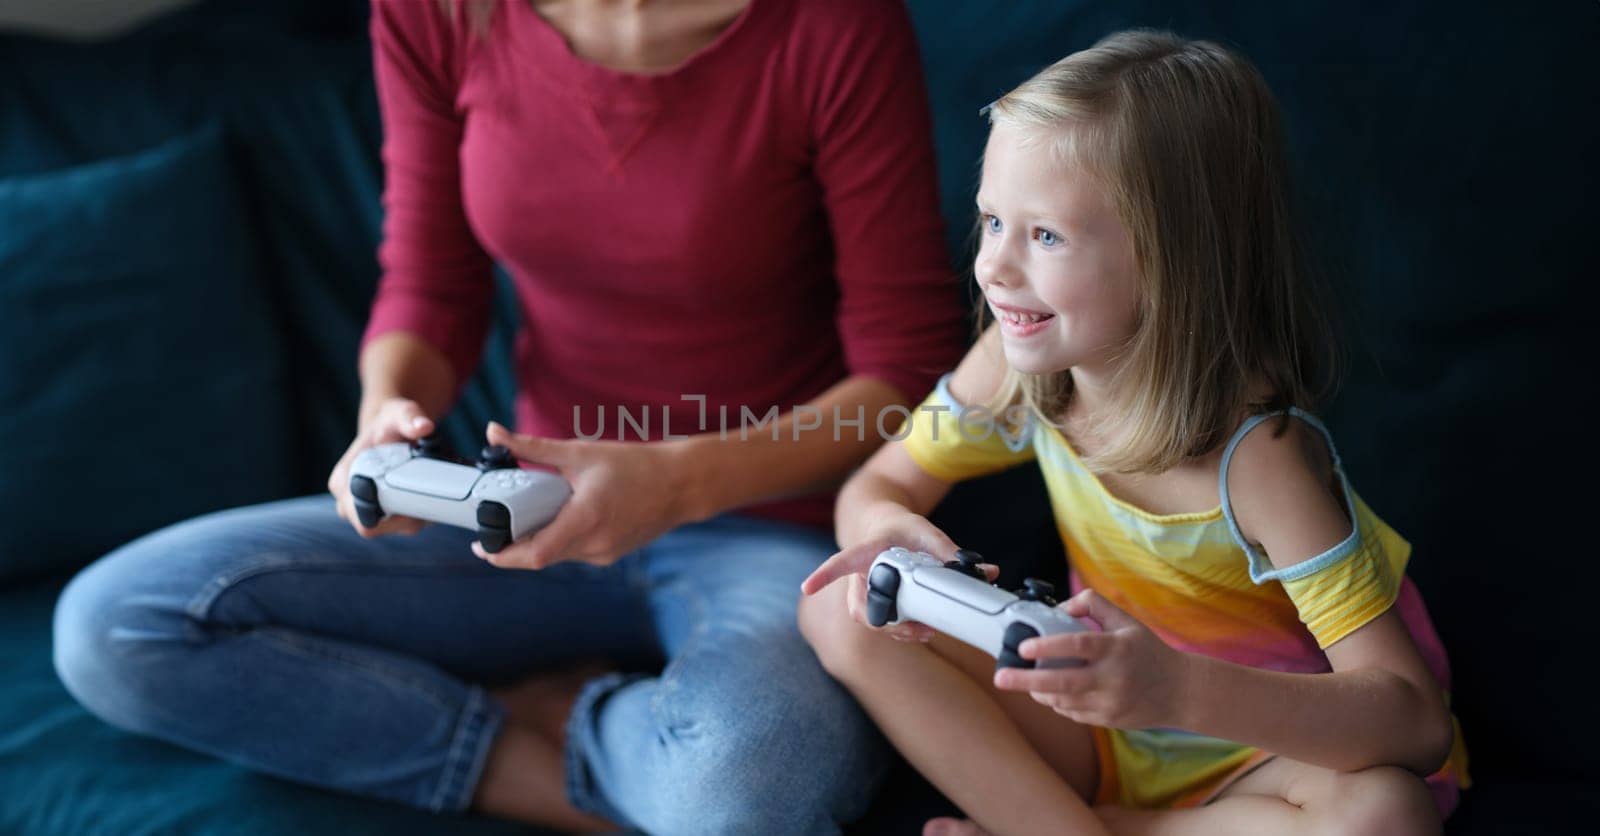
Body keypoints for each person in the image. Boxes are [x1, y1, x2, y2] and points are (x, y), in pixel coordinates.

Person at [52, 0, 966, 833]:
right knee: (114, 628)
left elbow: (906, 378)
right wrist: (387, 414)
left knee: (746, 790)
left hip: (763, 530)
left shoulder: (833, 27)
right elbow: (428, 282)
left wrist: (678, 479)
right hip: (528, 513)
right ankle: (525, 754)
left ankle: (590, 720)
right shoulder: (435, 14)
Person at [798, 29, 1470, 836]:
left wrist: (1175, 690)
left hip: (1261, 763)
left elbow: (1414, 722)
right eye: (991, 221)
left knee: (1386, 815)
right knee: (843, 604)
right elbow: (881, 486)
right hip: (1097, 731)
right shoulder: (1021, 365)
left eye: (1044, 235)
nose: (995, 267)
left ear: (1169, 259)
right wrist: (896, 543)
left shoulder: (1260, 458)